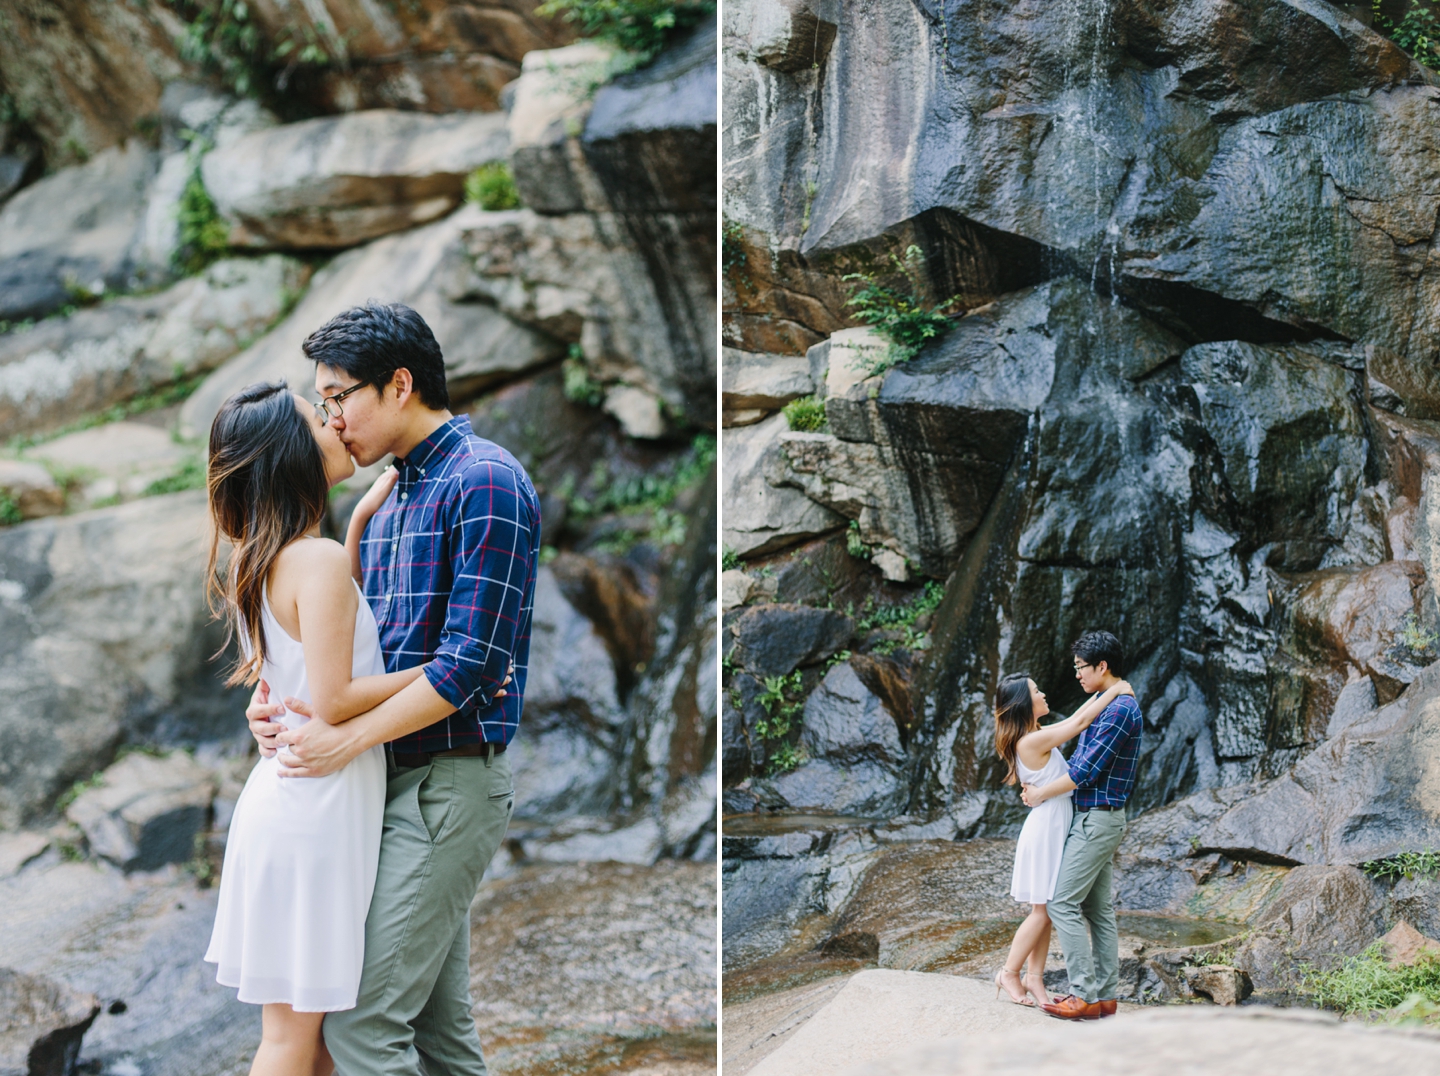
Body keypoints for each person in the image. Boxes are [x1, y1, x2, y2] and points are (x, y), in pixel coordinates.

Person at [244, 302, 541, 1076]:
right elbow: (352, 661)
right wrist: (278, 699)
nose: (332, 418)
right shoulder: (389, 500)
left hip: (446, 783)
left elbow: (472, 660)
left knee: (363, 1026)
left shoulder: (486, 480)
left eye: (339, 396)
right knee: (440, 1037)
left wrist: (343, 734)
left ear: (399, 384)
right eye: (326, 403)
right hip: (381, 788)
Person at [203, 381, 436, 1075]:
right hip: (316, 810)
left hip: (295, 803)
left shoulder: (267, 558)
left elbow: (308, 665)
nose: (334, 422)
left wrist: (359, 524)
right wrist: (448, 668)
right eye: (316, 418)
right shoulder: (317, 560)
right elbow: (334, 699)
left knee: (320, 1041)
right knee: (292, 1040)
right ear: (289, 453)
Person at [990, 672, 1134, 1007]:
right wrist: (1115, 689)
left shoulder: (1035, 734)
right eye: (1036, 690)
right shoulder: (1030, 742)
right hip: (1047, 828)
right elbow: (1079, 723)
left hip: (1056, 823)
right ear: (1024, 704)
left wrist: (1105, 694)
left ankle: (1035, 979)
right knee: (1043, 911)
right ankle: (1010, 972)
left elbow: (1074, 719)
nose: (1043, 692)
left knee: (1046, 908)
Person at [1020, 631, 1143, 1020]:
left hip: (1098, 817)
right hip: (1094, 816)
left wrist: (1039, 794)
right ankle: (1105, 997)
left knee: (1060, 902)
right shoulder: (1106, 702)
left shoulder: (1120, 710)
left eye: (1080, 668)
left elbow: (1084, 771)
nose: (1076, 675)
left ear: (1101, 666)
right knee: (1097, 910)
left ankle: (1084, 995)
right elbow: (1078, 732)